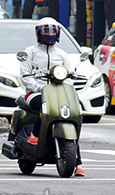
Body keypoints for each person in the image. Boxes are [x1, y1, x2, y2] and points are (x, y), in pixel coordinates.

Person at [18, 17, 85, 177]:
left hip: (58, 93)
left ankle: (78, 163)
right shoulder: (30, 52)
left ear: (58, 34)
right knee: (44, 105)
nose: (49, 34)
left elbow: (69, 74)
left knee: (72, 115)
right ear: (38, 33)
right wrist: (42, 88)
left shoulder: (61, 54)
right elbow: (25, 77)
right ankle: (35, 134)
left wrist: (68, 82)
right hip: (34, 94)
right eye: (45, 31)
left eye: (52, 31)